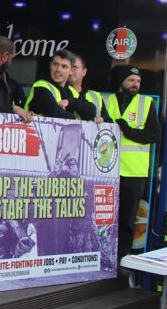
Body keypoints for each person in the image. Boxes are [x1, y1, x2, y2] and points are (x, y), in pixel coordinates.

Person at [101, 66, 160, 260]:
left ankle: (119, 258)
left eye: (138, 81)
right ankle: (100, 254)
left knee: (127, 218)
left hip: (134, 172)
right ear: (121, 82)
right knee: (103, 216)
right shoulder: (106, 100)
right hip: (107, 168)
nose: (135, 84)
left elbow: (154, 135)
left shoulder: (146, 102)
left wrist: (129, 131)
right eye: (131, 80)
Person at [24, 49, 96, 120]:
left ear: (71, 71)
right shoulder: (41, 86)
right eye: (55, 64)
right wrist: (77, 120)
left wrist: (70, 102)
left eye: (64, 66)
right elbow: (55, 113)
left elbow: (91, 111)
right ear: (50, 65)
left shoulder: (71, 91)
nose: (58, 69)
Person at [69, 51, 104, 123]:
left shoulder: (95, 96)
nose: (71, 71)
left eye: (75, 68)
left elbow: (110, 124)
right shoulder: (58, 91)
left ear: (84, 72)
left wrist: (102, 121)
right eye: (68, 67)